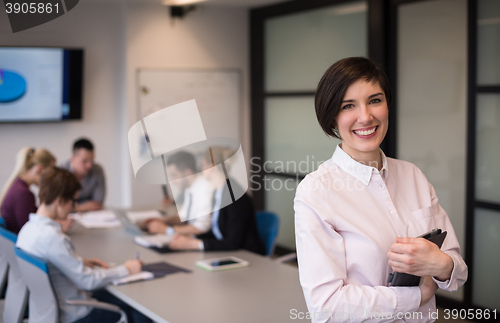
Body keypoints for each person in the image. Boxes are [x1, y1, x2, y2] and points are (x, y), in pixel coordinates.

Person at [294, 57, 467, 322]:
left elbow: (457, 268)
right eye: (348, 105)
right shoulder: (317, 191)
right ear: (331, 118)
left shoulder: (413, 176)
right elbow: (326, 307)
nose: (366, 116)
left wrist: (441, 265)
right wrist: (417, 297)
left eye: (375, 100)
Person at [16, 167, 151, 323]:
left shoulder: (26, 231)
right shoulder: (53, 238)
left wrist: (78, 262)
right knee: (138, 313)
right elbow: (88, 281)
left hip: (46, 312)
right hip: (74, 313)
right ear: (59, 201)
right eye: (73, 201)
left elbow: (52, 262)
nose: (74, 207)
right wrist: (126, 269)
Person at [169, 147, 266, 255]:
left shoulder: (235, 196)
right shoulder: (219, 192)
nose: (201, 169)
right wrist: (191, 238)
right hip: (227, 252)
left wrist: (194, 244)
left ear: (212, 167)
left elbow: (233, 242)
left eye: (203, 165)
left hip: (247, 255)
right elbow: (217, 232)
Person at [141, 151, 213, 236]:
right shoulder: (190, 188)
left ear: (187, 173)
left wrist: (167, 230)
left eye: (174, 175)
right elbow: (183, 217)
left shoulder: (205, 189)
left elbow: (201, 227)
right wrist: (163, 221)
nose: (172, 180)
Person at [0, 147, 56, 234]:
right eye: (50, 173)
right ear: (39, 169)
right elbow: (30, 230)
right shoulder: (23, 193)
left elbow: (35, 214)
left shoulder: (17, 185)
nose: (51, 178)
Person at [61, 138, 106, 212]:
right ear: (73, 158)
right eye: (84, 161)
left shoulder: (97, 170)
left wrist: (71, 206)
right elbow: (59, 206)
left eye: (92, 160)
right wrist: (82, 207)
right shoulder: (61, 172)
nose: (89, 165)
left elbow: (97, 203)